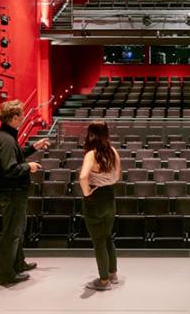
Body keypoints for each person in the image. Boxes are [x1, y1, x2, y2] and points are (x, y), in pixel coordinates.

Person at [0, 100, 50, 287]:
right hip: (12, 191)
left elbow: (15, 155)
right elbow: (10, 168)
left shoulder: (5, 136)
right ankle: (6, 274)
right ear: (14, 117)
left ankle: (18, 264)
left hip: (13, 192)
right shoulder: (6, 139)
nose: (23, 119)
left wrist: (33, 147)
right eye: (21, 116)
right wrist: (29, 166)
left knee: (17, 230)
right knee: (11, 233)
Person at [78, 120, 122, 291]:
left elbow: (83, 177)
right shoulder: (113, 152)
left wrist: (87, 192)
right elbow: (117, 177)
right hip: (109, 196)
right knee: (108, 236)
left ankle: (103, 281)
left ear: (91, 134)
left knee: (98, 241)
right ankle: (113, 274)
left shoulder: (91, 154)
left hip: (95, 198)